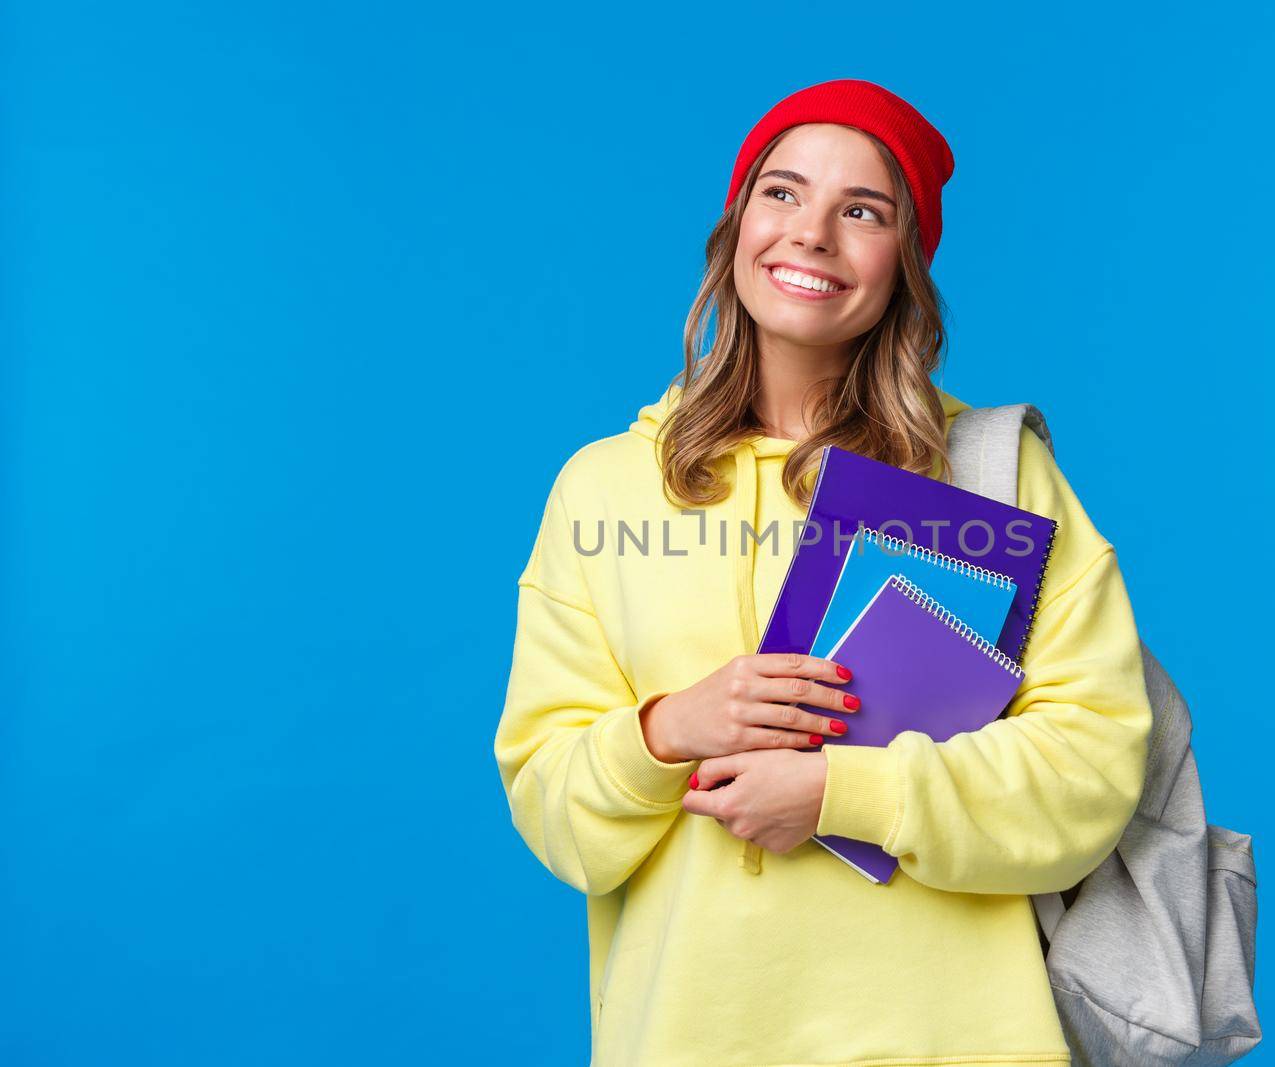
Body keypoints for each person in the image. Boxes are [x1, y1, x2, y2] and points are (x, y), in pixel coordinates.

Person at [493, 78, 1154, 1067]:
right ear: (736, 224)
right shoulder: (603, 489)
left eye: (862, 211)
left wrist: (840, 792)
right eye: (782, 192)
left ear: (905, 261)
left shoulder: (993, 478)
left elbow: (1089, 773)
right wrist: (669, 729)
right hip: (687, 1036)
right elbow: (556, 813)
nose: (810, 234)